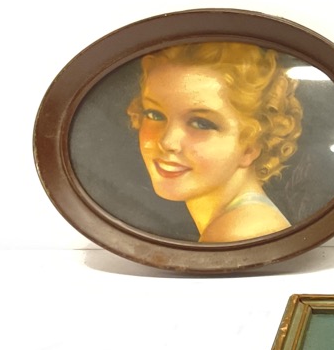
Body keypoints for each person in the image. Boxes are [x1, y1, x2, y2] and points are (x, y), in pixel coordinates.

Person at [127, 41, 302, 242]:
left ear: (251, 146)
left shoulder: (238, 232)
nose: (167, 142)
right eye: (154, 114)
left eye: (201, 123)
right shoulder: (234, 221)